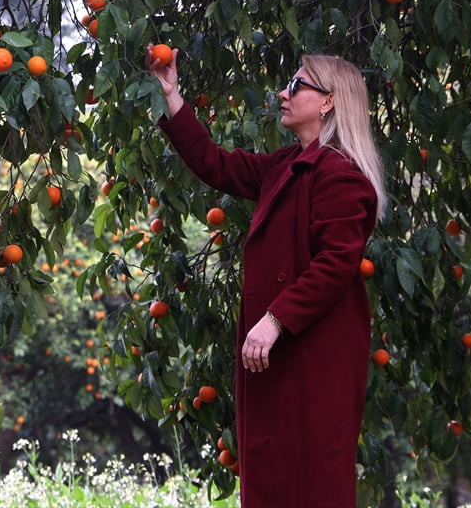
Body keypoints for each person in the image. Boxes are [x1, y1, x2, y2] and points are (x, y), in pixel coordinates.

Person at [149, 51, 387, 508]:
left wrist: (275, 319)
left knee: (311, 484)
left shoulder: (342, 177)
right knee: (274, 480)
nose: (283, 93)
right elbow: (215, 164)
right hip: (278, 359)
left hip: (312, 360)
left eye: (297, 86)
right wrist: (173, 96)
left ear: (328, 102)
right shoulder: (285, 166)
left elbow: (336, 264)